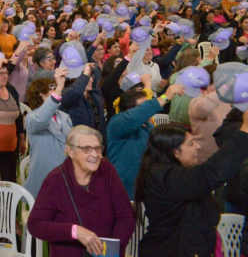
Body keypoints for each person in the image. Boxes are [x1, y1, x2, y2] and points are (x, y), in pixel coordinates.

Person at [135, 118, 248, 257]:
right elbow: (210, 174)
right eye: (191, 144)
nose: (198, 147)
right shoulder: (164, 177)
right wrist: (245, 130)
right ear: (175, 152)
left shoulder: (168, 173)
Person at [27, 126, 135, 257]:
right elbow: (35, 224)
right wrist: (75, 231)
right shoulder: (55, 180)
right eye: (86, 149)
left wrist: (111, 249)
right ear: (70, 152)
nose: (95, 155)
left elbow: (126, 216)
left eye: (97, 148)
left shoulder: (107, 171)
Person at [107, 78, 183, 197]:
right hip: (125, 188)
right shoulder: (117, 123)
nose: (148, 111)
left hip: (147, 184)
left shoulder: (148, 125)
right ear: (129, 110)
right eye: (143, 107)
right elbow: (134, 117)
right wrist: (165, 97)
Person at [23, 70, 73, 198]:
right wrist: (58, 90)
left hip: (67, 176)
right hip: (44, 177)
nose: (57, 93)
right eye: (51, 90)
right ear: (40, 94)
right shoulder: (32, 117)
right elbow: (42, 119)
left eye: (56, 90)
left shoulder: (65, 117)